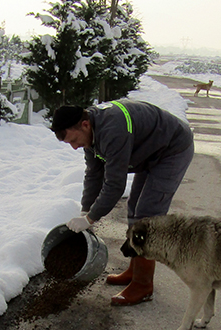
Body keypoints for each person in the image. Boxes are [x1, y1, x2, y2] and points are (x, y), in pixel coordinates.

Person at [51, 99, 194, 306]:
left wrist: (91, 219)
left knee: (147, 216)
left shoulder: (113, 130)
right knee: (135, 207)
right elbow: (94, 175)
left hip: (172, 149)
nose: (74, 147)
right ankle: (135, 270)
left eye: (74, 140)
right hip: (150, 151)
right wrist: (85, 211)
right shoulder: (90, 133)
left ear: (85, 124)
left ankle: (143, 285)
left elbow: (115, 185)